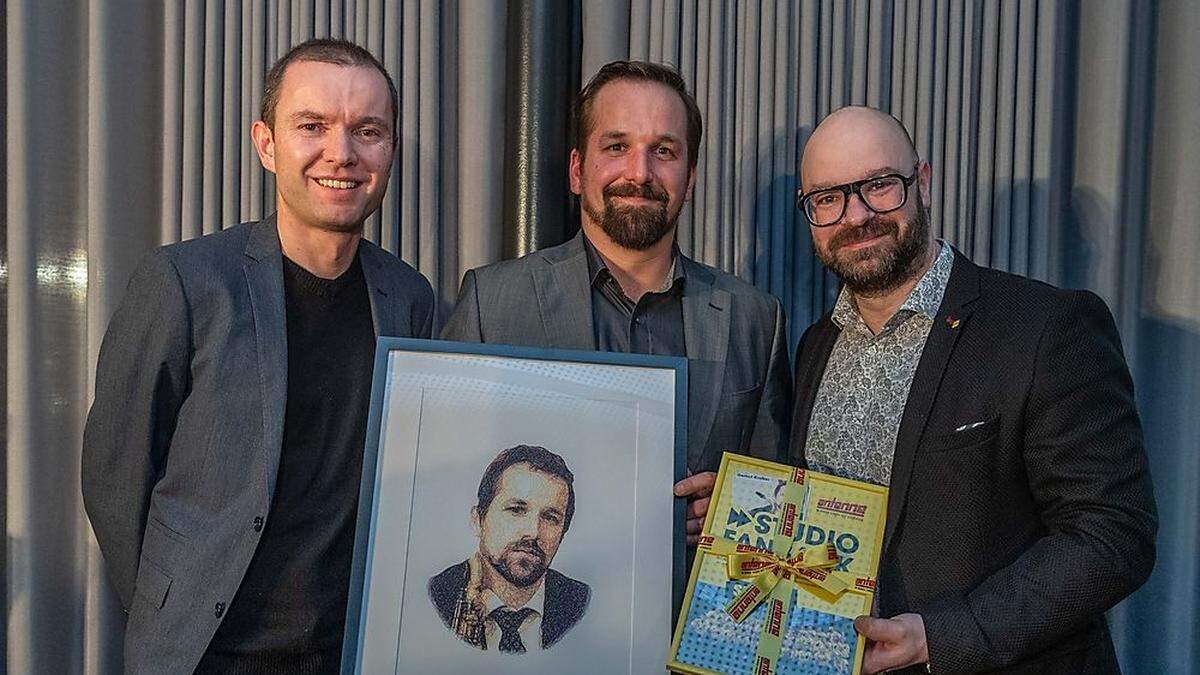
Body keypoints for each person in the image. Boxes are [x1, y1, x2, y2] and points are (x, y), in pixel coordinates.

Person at [81, 39, 436, 674]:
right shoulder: (184, 283)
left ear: (390, 152)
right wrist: (170, 608)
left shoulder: (408, 298)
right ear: (266, 144)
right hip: (203, 656)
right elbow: (116, 477)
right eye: (313, 126)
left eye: (368, 131)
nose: (342, 153)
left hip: (350, 652)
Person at [788, 106, 1156, 674]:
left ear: (923, 181)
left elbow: (1113, 536)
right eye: (828, 198)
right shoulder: (816, 345)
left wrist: (943, 636)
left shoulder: (1045, 325)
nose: (856, 215)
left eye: (879, 185)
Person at [442, 61, 792, 542]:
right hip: (535, 609)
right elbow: (442, 481)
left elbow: (781, 496)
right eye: (616, 147)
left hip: (688, 612)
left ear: (689, 178)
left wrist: (738, 511)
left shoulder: (756, 318)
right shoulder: (492, 302)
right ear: (577, 170)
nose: (639, 172)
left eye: (663, 151)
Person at [429, 445, 590, 652]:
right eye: (516, 510)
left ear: (563, 532)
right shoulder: (437, 593)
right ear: (478, 520)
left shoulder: (581, 603)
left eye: (550, 518)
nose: (533, 532)